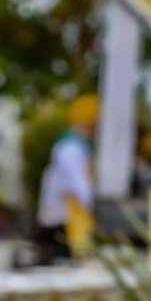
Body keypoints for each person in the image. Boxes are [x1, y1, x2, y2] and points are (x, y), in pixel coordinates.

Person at [36, 95, 97, 263]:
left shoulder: (73, 146)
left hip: (63, 221)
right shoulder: (71, 148)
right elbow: (80, 188)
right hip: (63, 222)